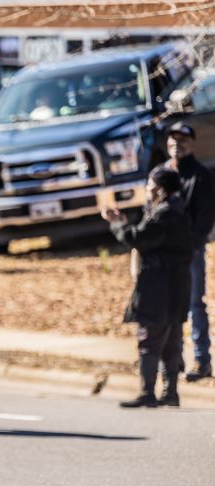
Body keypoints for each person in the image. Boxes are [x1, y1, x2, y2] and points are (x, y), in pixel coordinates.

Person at [102, 167, 192, 408]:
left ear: (160, 189)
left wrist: (116, 224)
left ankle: (147, 393)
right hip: (179, 285)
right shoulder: (180, 211)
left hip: (158, 287)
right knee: (171, 342)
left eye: (150, 185)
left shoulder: (162, 214)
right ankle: (170, 393)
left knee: (149, 341)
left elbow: (137, 238)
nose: (147, 189)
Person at [165, 123, 215, 382]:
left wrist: (191, 246)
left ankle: (202, 360)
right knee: (169, 307)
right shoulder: (160, 173)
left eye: (183, 140)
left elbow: (206, 219)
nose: (177, 144)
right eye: (173, 139)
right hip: (163, 254)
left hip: (190, 252)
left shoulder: (201, 175)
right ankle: (172, 361)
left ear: (192, 143)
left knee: (195, 305)